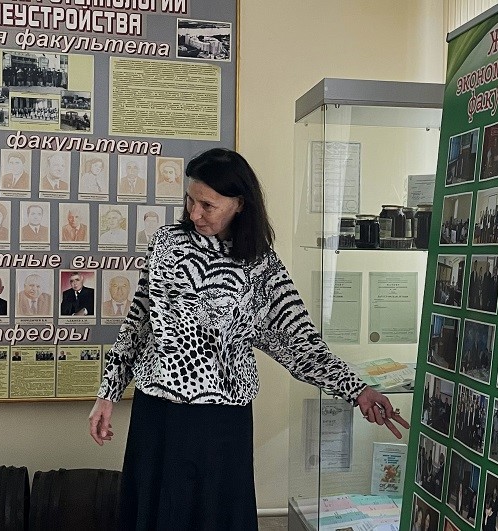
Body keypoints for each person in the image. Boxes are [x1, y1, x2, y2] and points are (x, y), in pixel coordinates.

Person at [88, 148, 408, 530]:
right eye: (190, 200)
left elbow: (301, 345)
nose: (194, 214)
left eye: (208, 205)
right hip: (157, 414)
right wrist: (107, 394)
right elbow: (139, 321)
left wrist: (358, 390)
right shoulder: (166, 243)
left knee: (215, 518)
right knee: (156, 515)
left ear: (239, 204)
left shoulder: (261, 266)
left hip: (221, 423)